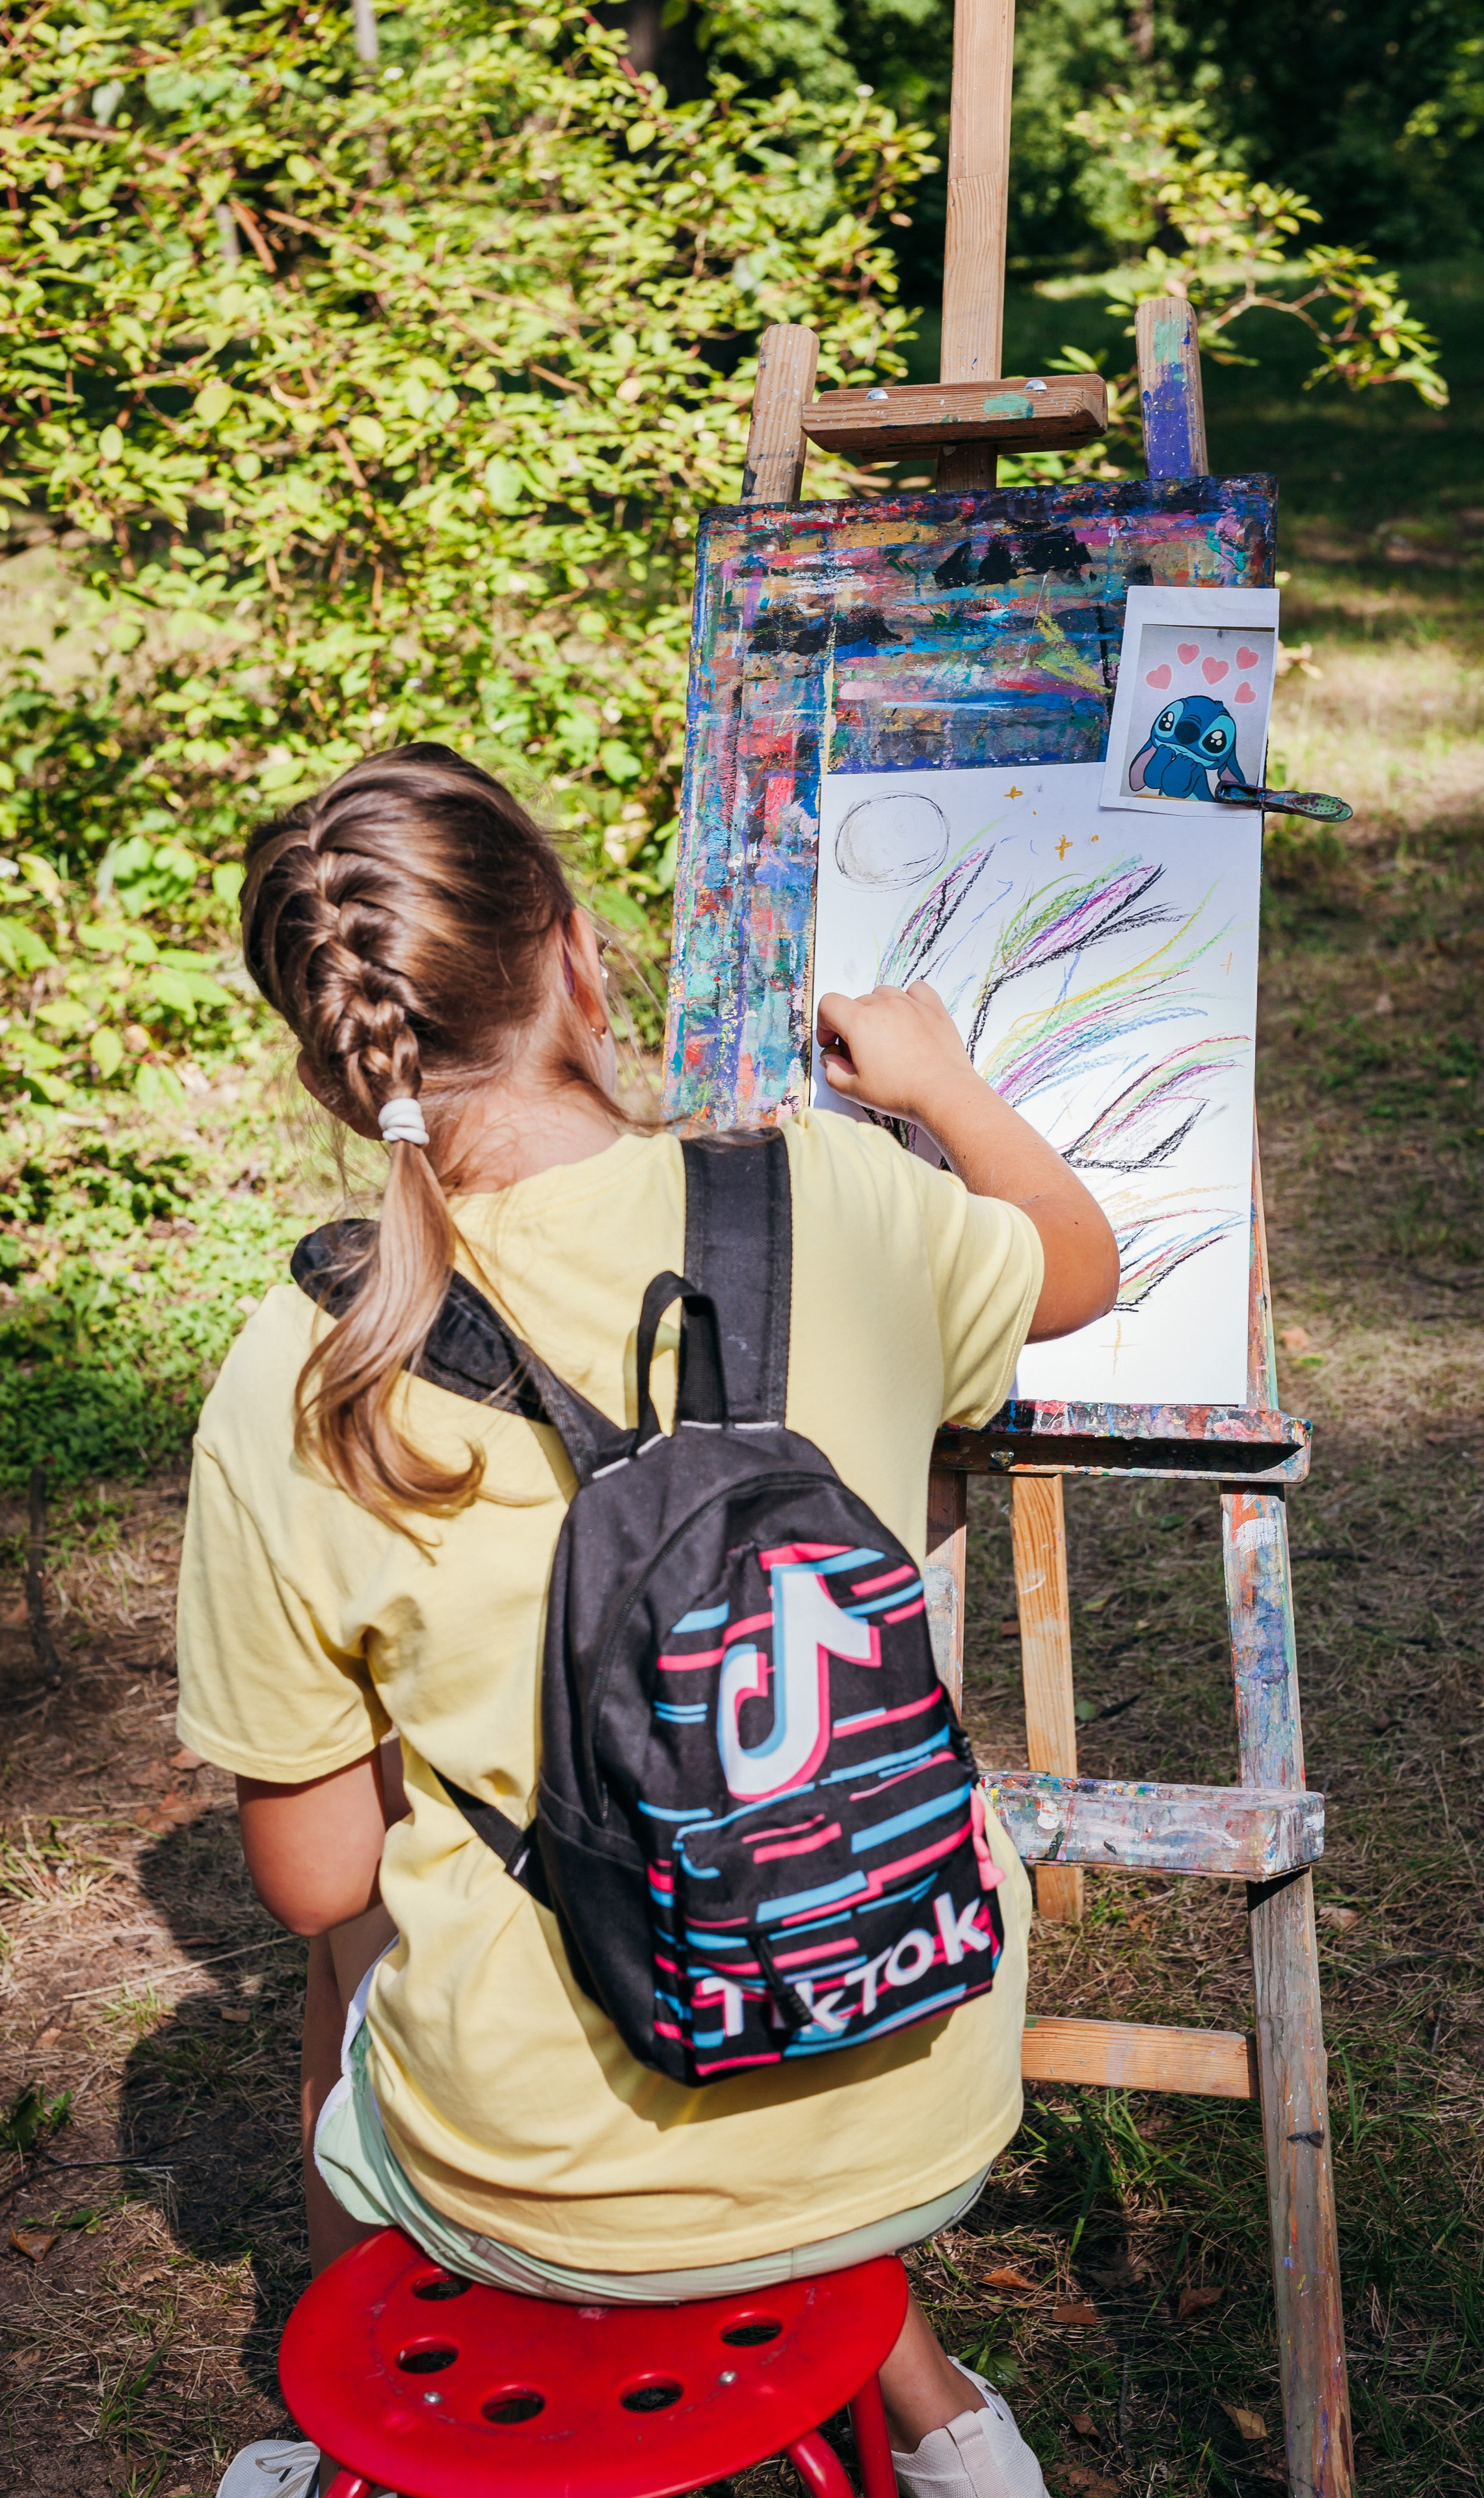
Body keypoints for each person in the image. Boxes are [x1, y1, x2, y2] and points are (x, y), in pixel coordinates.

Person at [175, 747, 1120, 2498]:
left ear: (328, 1060)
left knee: (350, 1927)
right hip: (912, 2085)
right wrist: (942, 1081)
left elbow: (312, 1885)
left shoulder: (303, 1369)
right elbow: (1075, 1264)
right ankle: (938, 2411)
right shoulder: (842, 1199)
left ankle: (343, 2409)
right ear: (579, 958)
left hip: (539, 2193)